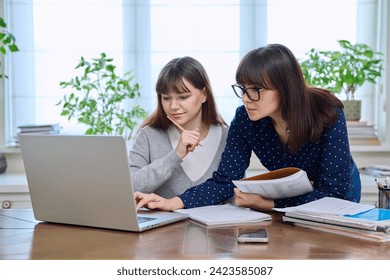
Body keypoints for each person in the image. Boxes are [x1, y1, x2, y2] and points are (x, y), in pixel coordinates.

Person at [134, 44, 361, 212]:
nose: (245, 98)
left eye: (255, 90)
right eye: (243, 89)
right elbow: (224, 181)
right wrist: (172, 203)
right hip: (291, 203)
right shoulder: (245, 119)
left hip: (335, 200)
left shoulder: (327, 111)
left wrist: (267, 204)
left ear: (284, 88)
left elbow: (334, 192)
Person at [129, 56, 228, 199]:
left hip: (220, 221)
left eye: (183, 97)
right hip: (165, 222)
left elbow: (233, 193)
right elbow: (131, 188)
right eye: (166, 98)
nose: (173, 106)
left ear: (204, 95)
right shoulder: (148, 135)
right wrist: (176, 155)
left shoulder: (227, 136)